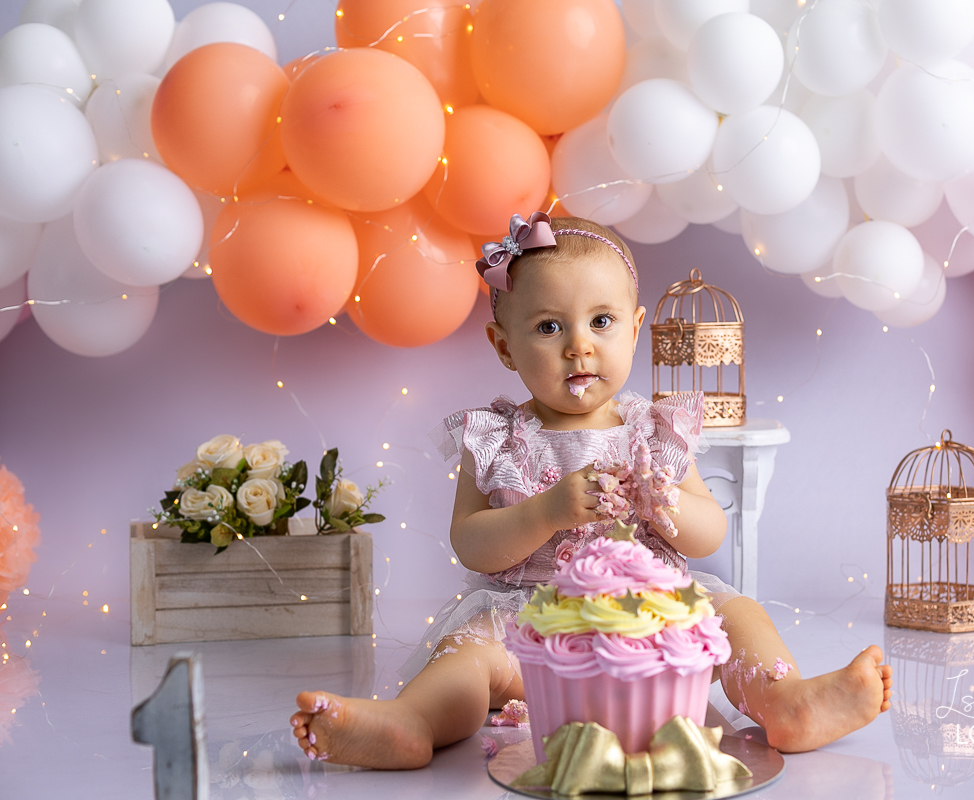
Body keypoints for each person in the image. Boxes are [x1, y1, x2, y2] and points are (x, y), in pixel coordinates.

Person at [290, 212, 892, 768]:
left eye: (601, 322)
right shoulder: (497, 436)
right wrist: (545, 512)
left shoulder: (654, 430)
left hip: (654, 622)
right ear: (504, 346)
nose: (579, 344)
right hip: (535, 630)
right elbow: (471, 544)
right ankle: (410, 724)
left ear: (634, 330)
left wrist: (669, 504)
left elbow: (710, 535)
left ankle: (786, 701)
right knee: (468, 653)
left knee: (738, 613)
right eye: (549, 326)